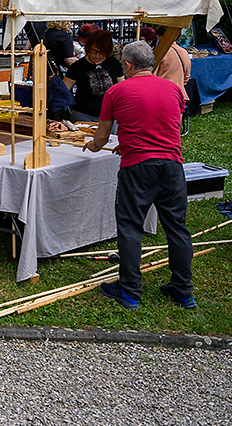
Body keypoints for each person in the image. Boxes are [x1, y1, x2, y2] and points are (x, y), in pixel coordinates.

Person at [85, 41, 195, 310]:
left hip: (137, 167)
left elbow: (101, 136)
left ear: (128, 65)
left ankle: (130, 291)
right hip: (171, 165)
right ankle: (183, 292)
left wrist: (93, 145)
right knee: (177, 228)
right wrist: (130, 141)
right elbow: (164, 123)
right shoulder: (173, 88)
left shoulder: (117, 90)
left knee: (130, 228)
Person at [63, 30, 123, 121]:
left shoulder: (114, 64)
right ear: (88, 48)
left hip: (110, 114)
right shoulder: (78, 66)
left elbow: (121, 88)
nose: (97, 56)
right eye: (94, 51)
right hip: (83, 113)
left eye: (101, 52)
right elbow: (64, 89)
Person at [144, 26, 192, 101]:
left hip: (162, 94)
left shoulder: (159, 53)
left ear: (163, 36)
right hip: (180, 94)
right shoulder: (184, 52)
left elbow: (151, 75)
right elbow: (186, 77)